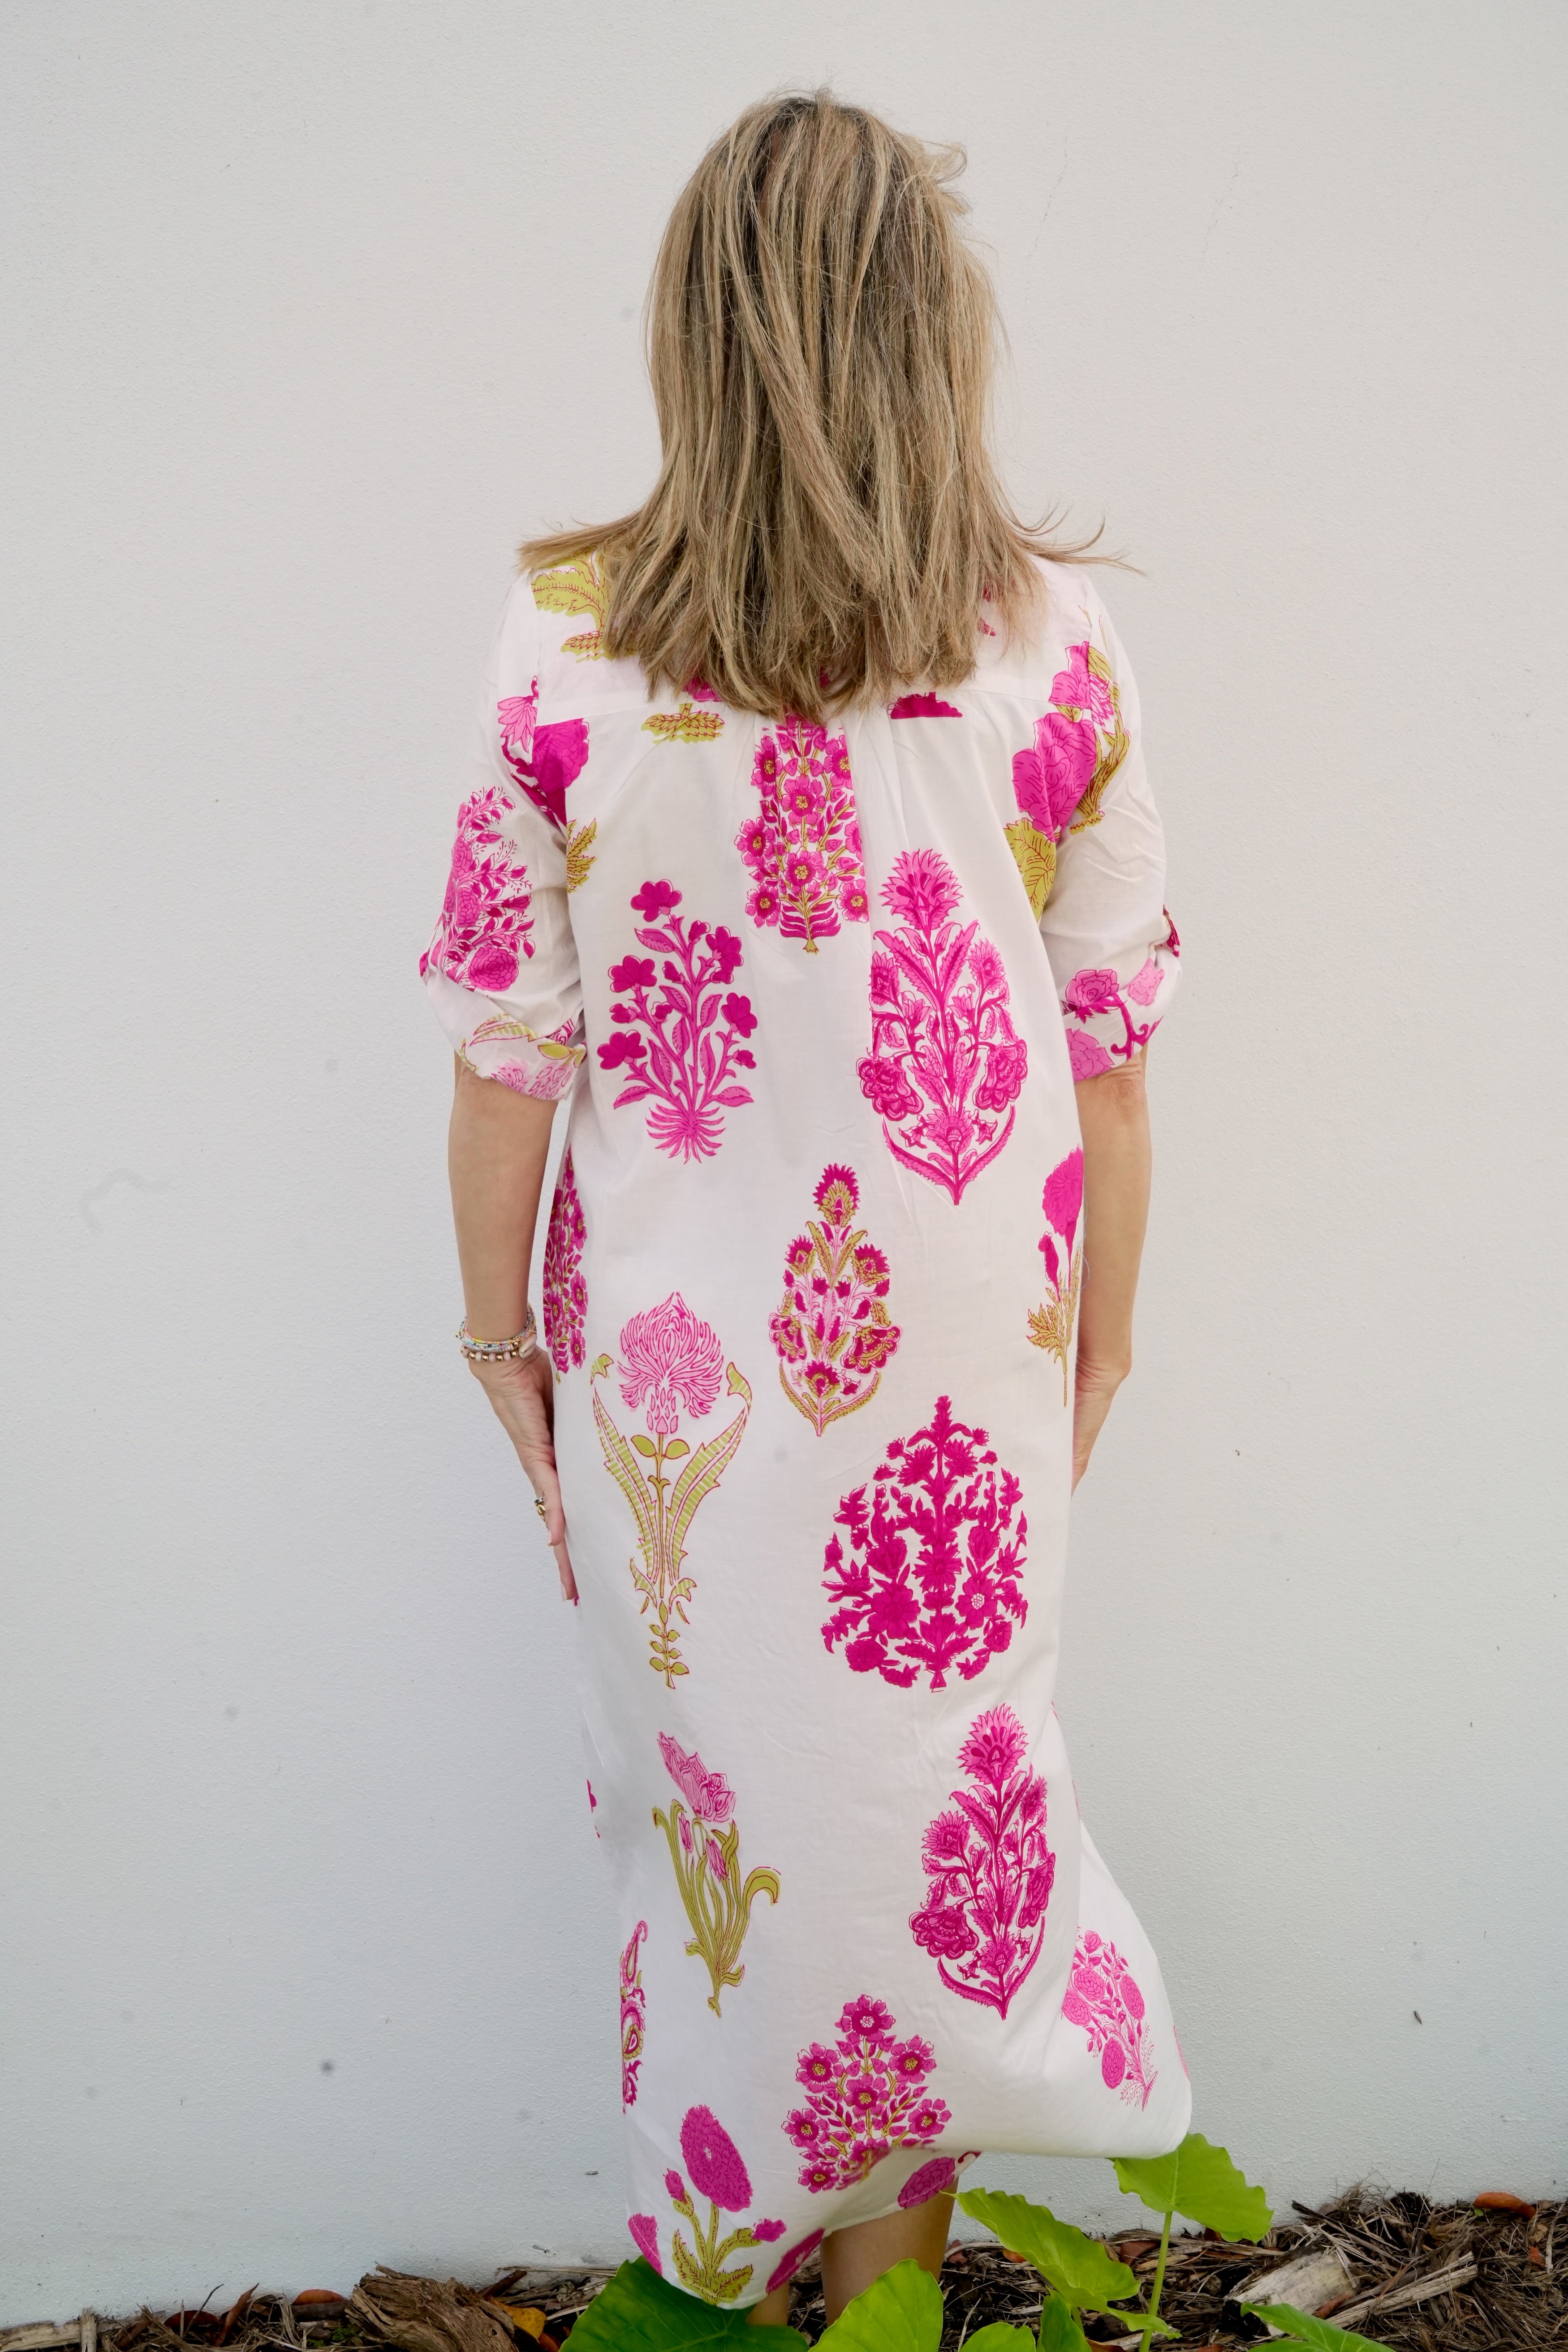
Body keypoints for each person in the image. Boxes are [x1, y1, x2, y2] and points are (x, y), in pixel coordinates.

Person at [422, 90, 1189, 2331]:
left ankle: (729, 2285)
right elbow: (1110, 1046)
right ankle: (881, 2312)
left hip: (664, 1357)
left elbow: (503, 1055)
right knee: (915, 1826)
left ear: (693, 334)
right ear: (936, 334)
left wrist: (500, 1342)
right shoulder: (1047, 641)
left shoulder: (563, 635)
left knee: (710, 1815)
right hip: (963, 1333)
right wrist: (1101, 1332)